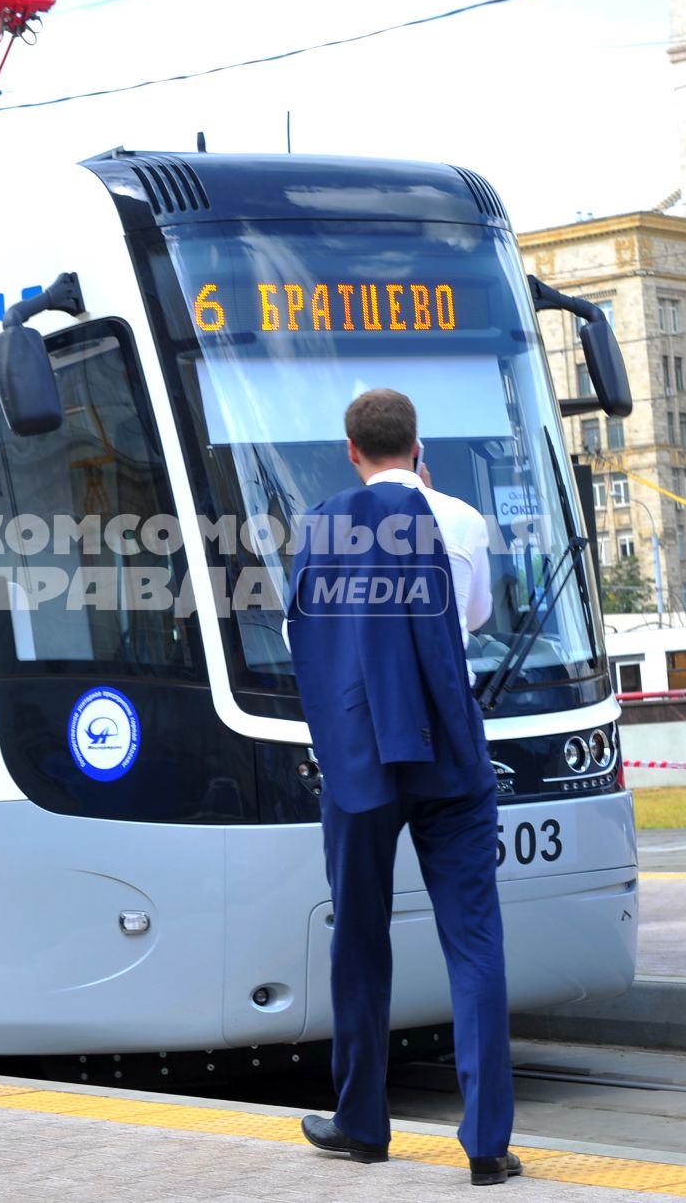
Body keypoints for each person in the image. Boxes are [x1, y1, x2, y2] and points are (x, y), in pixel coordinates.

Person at [284, 388, 520, 1187]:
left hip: (362, 758)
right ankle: (487, 1141)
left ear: (350, 450)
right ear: (420, 446)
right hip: (448, 746)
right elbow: (478, 615)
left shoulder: (323, 523)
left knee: (358, 936)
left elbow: (298, 635)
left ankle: (362, 1122)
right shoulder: (457, 519)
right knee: (475, 939)